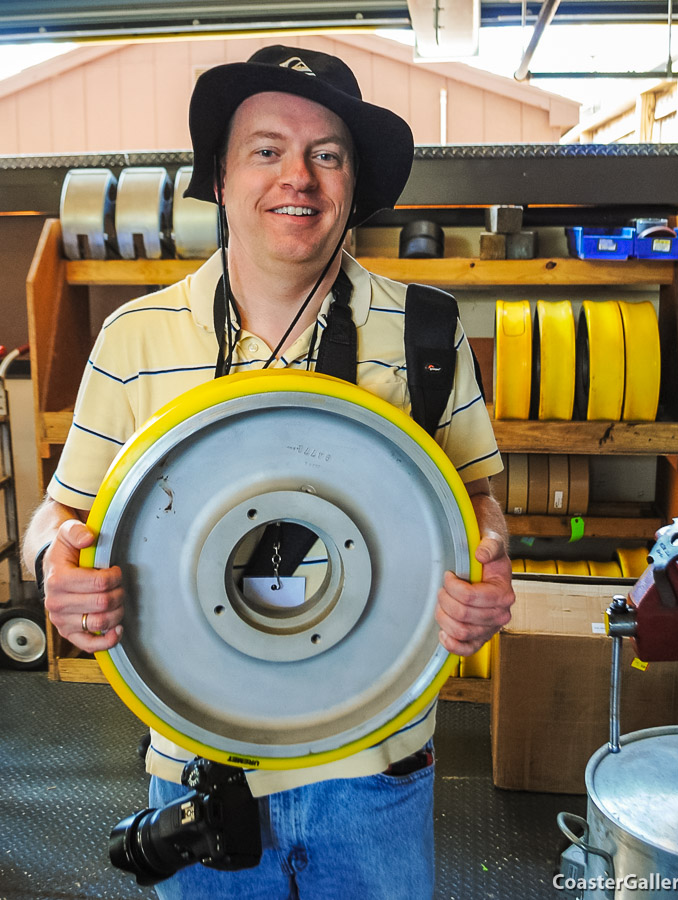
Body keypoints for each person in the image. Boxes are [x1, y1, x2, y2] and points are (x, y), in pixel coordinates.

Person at [23, 44, 515, 899]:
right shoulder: (136, 338)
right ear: (218, 177)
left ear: (354, 186)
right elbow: (58, 511)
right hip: (197, 768)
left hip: (377, 767)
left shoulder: (427, 333)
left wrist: (491, 558)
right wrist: (50, 569)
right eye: (266, 150)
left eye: (327, 155)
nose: (300, 177)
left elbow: (477, 499)